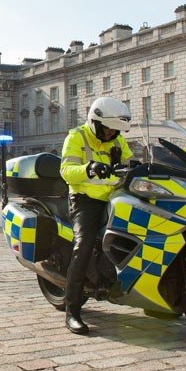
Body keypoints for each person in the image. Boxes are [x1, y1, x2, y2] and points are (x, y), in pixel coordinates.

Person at [59, 97, 133, 335]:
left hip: (115, 198)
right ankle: (72, 311)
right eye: (108, 129)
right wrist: (88, 168)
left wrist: (138, 167)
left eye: (115, 130)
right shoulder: (77, 137)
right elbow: (66, 171)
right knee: (83, 245)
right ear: (95, 123)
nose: (112, 133)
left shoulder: (118, 140)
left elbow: (129, 163)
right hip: (85, 200)